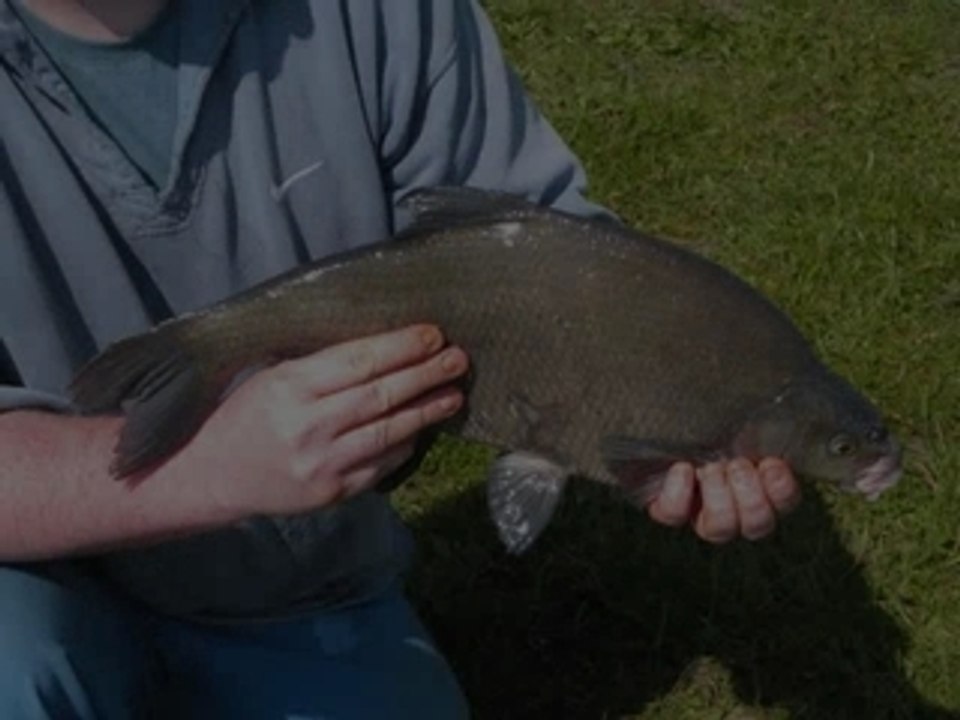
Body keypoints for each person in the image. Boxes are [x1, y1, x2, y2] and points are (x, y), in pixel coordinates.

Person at [0, 0, 802, 717]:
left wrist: (655, 409)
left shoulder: (384, 13)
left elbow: (555, 259)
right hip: (32, 584)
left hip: (295, 581)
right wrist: (204, 469)